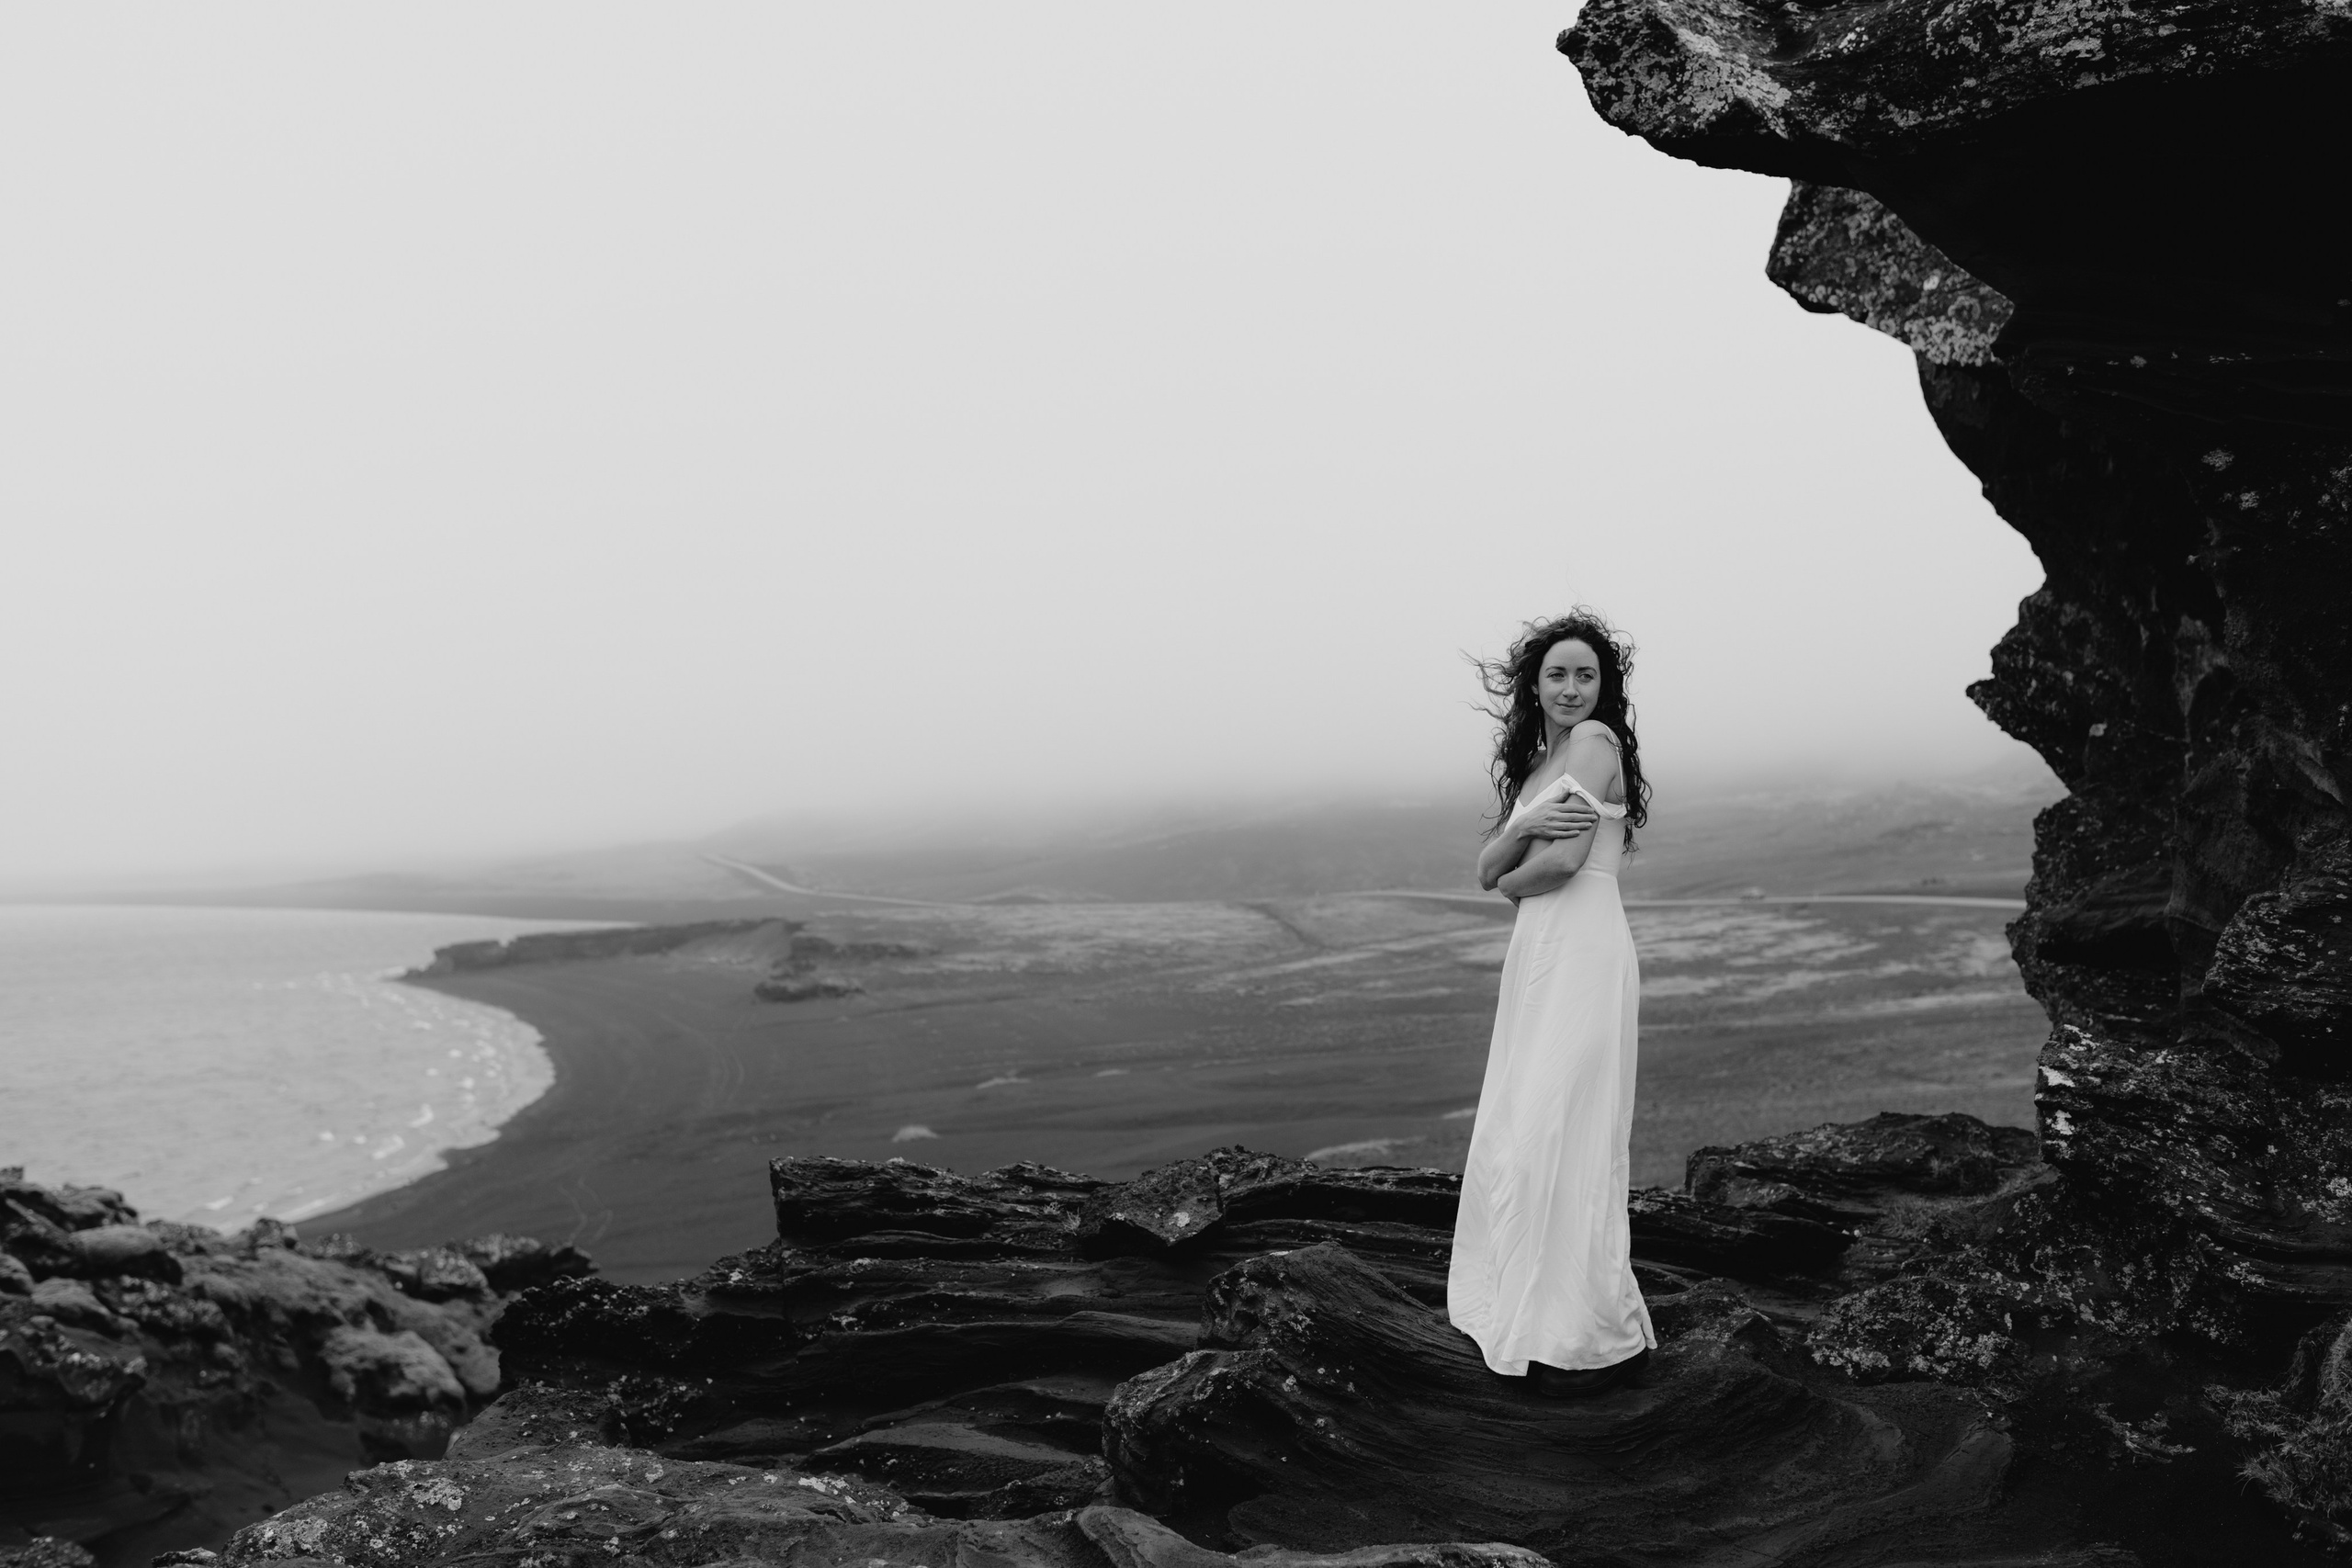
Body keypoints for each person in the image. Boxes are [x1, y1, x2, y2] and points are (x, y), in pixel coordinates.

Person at [1447, 609, 1657, 1397]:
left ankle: (1573, 1320)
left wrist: (1511, 866)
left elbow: (1559, 865)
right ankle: (1525, 1304)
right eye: (1558, 675)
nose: (1572, 688)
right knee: (1520, 1120)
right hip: (1537, 954)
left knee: (1558, 1119)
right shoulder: (1539, 764)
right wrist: (1519, 836)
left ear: (1605, 688)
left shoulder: (1598, 742)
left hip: (1583, 946)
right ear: (1534, 686)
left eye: (1586, 675)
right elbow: (1483, 866)